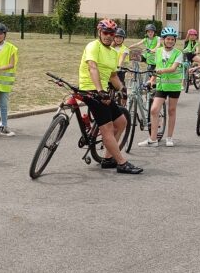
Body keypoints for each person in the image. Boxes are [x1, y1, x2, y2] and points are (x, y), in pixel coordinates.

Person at [76, 18, 142, 174]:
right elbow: (92, 67)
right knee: (108, 128)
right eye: (105, 32)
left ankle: (107, 158)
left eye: (111, 33)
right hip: (90, 90)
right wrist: (99, 90)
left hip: (103, 91)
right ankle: (121, 162)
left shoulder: (113, 52)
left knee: (122, 121)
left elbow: (113, 76)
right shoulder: (93, 46)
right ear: (99, 32)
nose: (108, 36)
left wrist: (122, 89)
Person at [138, 26, 184, 147]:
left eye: (172, 39)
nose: (170, 41)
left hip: (174, 87)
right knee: (154, 110)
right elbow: (155, 68)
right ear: (163, 39)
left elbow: (173, 68)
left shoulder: (178, 53)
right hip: (161, 86)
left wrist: (161, 71)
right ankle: (153, 139)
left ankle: (169, 137)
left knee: (171, 111)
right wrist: (151, 80)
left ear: (175, 41)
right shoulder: (158, 52)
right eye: (168, 39)